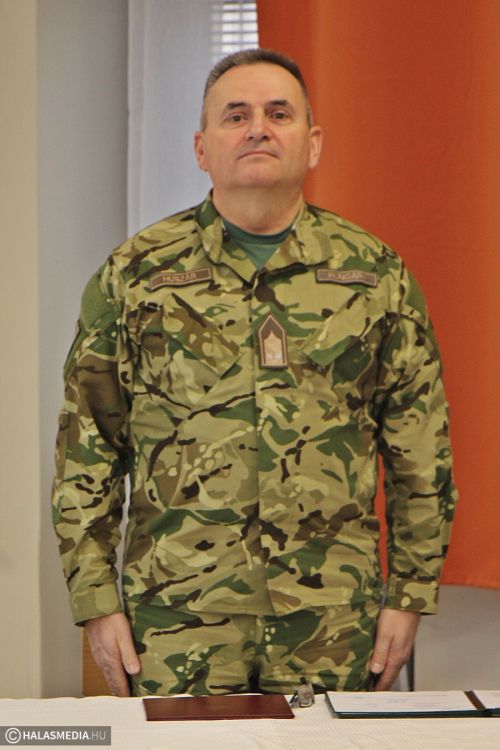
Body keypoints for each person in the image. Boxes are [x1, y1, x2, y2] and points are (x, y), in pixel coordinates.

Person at [52, 49, 457, 698]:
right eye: (236, 116)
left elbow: (421, 454)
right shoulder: (136, 275)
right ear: (201, 148)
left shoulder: (374, 275)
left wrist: (409, 595)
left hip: (329, 618)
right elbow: (88, 450)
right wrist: (97, 602)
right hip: (178, 617)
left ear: (313, 143)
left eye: (279, 114)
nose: (258, 129)